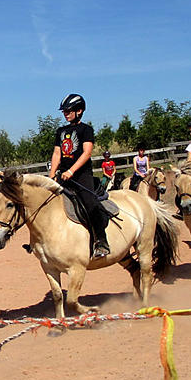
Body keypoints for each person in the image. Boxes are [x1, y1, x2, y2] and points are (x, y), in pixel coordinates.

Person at [49, 93, 110, 257]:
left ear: (80, 110)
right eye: (64, 111)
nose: (66, 113)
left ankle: (101, 242)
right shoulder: (60, 131)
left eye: (69, 110)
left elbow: (87, 153)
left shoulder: (86, 129)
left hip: (82, 175)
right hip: (63, 175)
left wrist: (71, 171)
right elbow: (57, 154)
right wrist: (52, 175)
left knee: (90, 204)